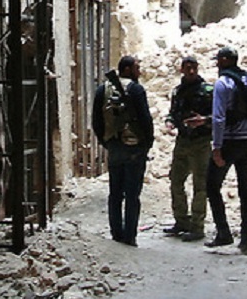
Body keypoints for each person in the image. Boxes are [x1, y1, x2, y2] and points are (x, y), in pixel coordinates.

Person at [205, 46, 247, 253]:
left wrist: (216, 147)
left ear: (224, 61)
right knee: (245, 190)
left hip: (229, 141)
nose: (217, 64)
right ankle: (246, 238)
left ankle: (223, 232)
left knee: (212, 185)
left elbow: (218, 118)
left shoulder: (223, 84)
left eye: (218, 61)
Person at [91, 55, 154, 246]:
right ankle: (130, 235)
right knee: (132, 194)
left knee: (115, 192)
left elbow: (96, 120)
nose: (139, 71)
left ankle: (116, 232)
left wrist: (106, 142)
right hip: (134, 147)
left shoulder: (103, 89)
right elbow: (145, 119)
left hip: (115, 146)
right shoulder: (136, 89)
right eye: (137, 67)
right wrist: (147, 143)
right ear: (127, 69)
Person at [162, 55, 213, 242]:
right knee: (176, 180)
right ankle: (181, 221)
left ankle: (197, 226)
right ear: (181, 69)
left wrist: (204, 121)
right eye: (187, 67)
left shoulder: (208, 91)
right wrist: (169, 123)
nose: (191, 71)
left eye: (194, 67)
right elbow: (173, 113)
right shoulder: (178, 91)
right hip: (183, 141)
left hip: (201, 142)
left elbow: (220, 116)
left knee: (200, 185)